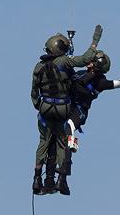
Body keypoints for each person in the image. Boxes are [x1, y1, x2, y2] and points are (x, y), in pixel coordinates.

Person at [31, 24, 103, 196]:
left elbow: (34, 92)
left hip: (45, 109)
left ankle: (37, 178)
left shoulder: (38, 67)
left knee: (44, 143)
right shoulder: (64, 62)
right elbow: (85, 59)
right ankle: (61, 180)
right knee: (62, 142)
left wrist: (39, 106)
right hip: (63, 109)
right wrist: (95, 41)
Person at [52, 52, 120, 183]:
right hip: (68, 106)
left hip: (79, 111)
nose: (88, 61)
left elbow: (116, 83)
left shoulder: (100, 82)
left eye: (92, 61)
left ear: (97, 66)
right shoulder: (82, 73)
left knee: (69, 126)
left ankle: (66, 167)